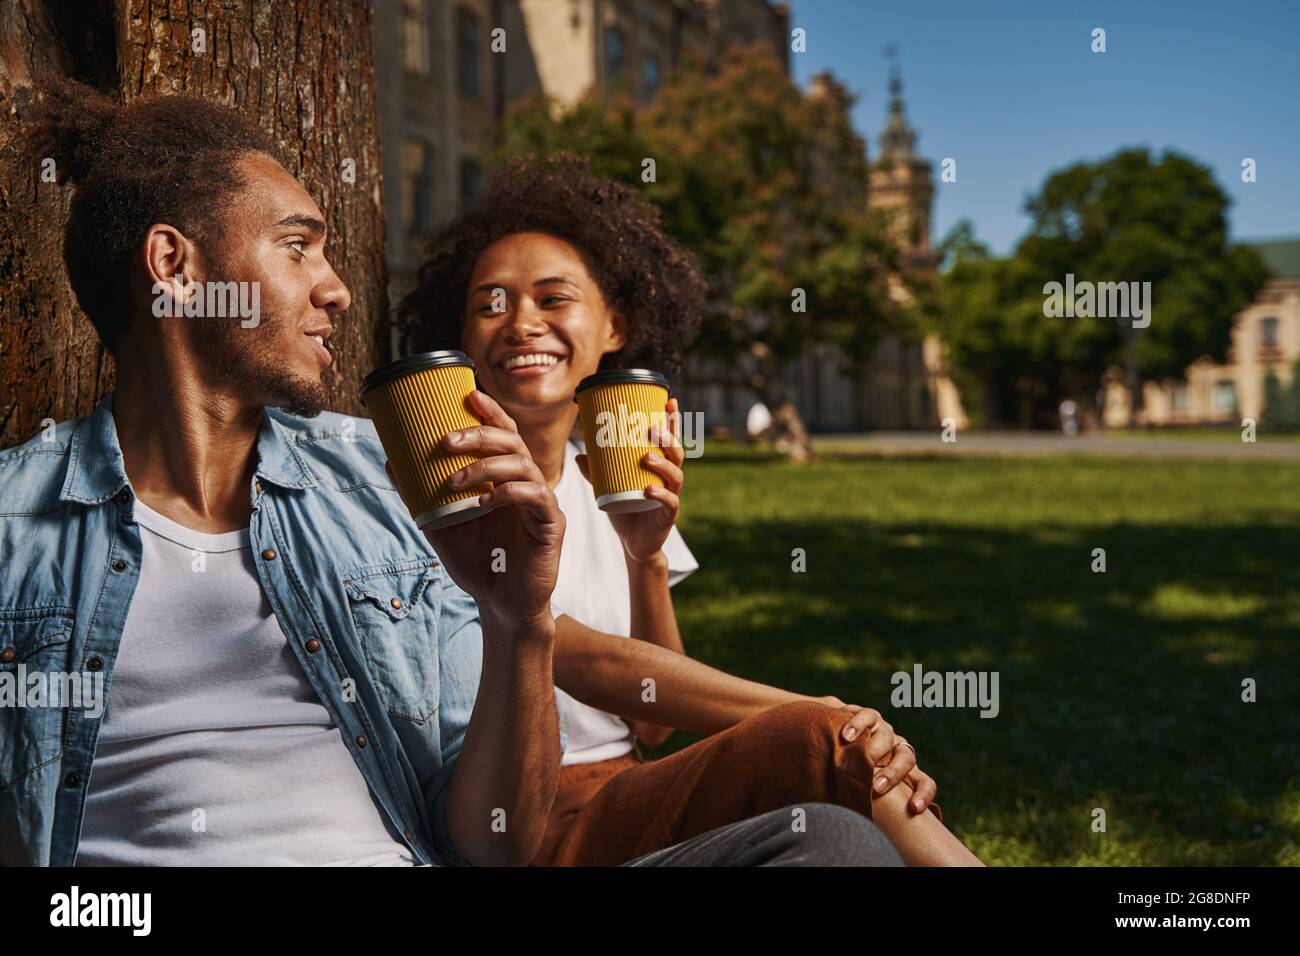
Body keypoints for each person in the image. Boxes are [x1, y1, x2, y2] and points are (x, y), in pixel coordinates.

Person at [0, 80, 896, 868]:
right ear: (174, 267)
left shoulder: (383, 480)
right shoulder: (15, 523)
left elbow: (498, 842)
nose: (337, 287)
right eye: (298, 247)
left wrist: (520, 621)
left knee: (833, 844)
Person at [398, 155, 984, 866]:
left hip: (628, 793)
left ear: (615, 326)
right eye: (490, 304)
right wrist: (819, 713)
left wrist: (645, 556)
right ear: (461, 338)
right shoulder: (449, 488)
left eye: (554, 300)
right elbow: (584, 656)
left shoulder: (606, 480)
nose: (521, 323)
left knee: (835, 787)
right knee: (832, 740)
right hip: (515, 811)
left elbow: (648, 721)